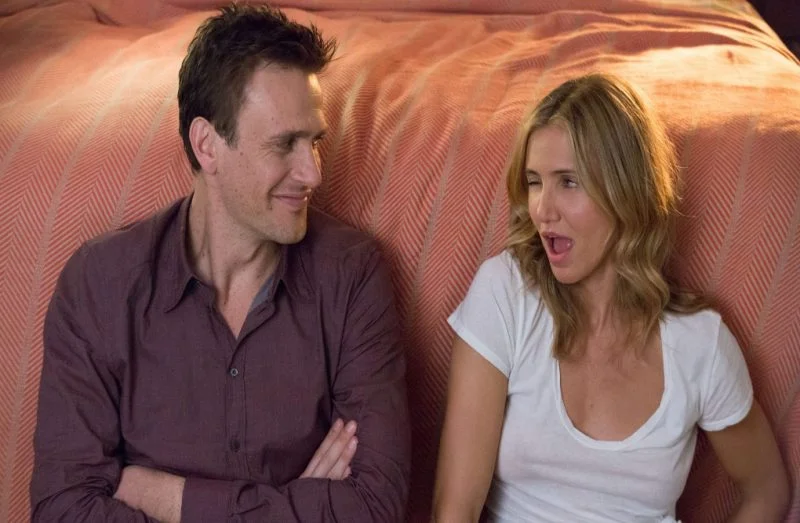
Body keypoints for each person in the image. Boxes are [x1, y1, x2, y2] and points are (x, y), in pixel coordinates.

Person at [30, 4, 410, 522]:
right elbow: (62, 510)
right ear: (207, 145)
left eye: (314, 141)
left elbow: (375, 507)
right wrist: (295, 504)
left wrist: (169, 498)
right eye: (285, 144)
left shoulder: (351, 275)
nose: (313, 173)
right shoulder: (100, 285)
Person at [432, 73, 789, 522]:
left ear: (625, 191)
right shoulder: (507, 293)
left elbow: (767, 488)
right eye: (535, 181)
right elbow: (455, 508)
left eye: (568, 182)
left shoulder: (700, 345)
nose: (542, 209)